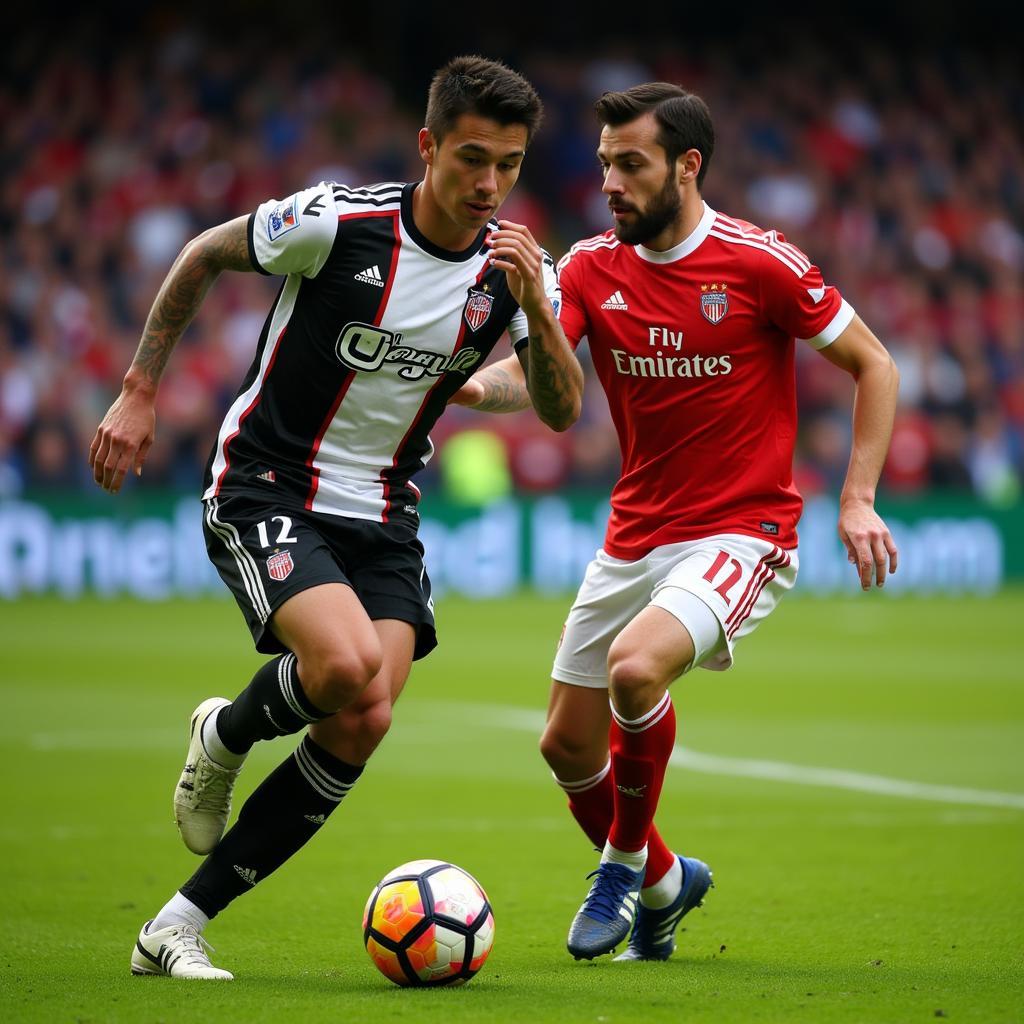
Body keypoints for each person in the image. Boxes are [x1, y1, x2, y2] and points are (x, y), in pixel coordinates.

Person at [88, 55, 582, 980]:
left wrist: (527, 330)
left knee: (364, 717)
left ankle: (176, 925)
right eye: (473, 158)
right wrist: (138, 390)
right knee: (345, 666)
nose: (489, 184)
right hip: (267, 484)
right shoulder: (337, 222)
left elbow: (555, 403)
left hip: (384, 513)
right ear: (428, 146)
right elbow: (203, 254)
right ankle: (227, 735)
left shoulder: (516, 272)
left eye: (509, 165)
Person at [459, 82, 899, 962]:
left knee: (634, 669)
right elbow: (539, 389)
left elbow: (873, 364)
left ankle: (621, 865)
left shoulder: (760, 261)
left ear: (686, 166)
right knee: (563, 745)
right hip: (635, 534)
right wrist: (470, 383)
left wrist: (855, 497)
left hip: (744, 532)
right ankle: (666, 885)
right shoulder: (585, 266)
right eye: (605, 166)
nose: (611, 184)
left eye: (632, 165)